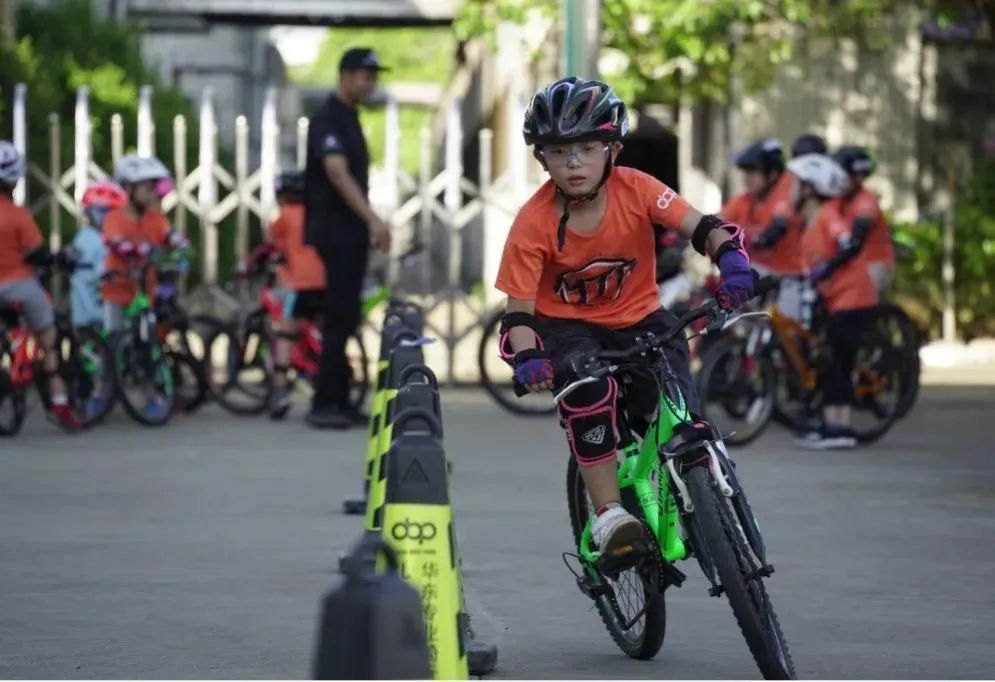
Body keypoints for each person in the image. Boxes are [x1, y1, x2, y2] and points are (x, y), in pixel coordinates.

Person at [495, 77, 756, 554]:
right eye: (558, 151)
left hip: (641, 319)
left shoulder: (638, 189)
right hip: (568, 330)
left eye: (588, 147)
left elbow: (702, 227)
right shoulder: (532, 223)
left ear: (612, 148)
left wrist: (732, 262)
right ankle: (609, 515)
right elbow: (519, 313)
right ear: (541, 158)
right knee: (587, 390)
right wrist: (529, 358)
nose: (573, 163)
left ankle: (696, 490)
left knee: (678, 407)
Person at [303, 47, 392, 430]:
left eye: (373, 76)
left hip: (349, 233)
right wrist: (373, 219)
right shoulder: (328, 119)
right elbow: (338, 174)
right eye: (364, 75)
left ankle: (339, 398)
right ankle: (324, 402)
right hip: (336, 232)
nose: (370, 82)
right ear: (345, 75)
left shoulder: (349, 117)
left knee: (346, 316)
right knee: (338, 318)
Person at [789, 153, 872, 450]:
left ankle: (841, 429)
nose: (790, 189)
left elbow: (847, 242)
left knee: (838, 362)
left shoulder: (828, 216)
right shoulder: (811, 220)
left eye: (796, 183)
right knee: (829, 360)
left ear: (810, 189)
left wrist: (829, 267)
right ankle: (830, 424)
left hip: (852, 297)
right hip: (837, 299)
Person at [0, 140, 84, 431]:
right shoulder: (17, 214)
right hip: (18, 285)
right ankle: (60, 405)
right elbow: (37, 254)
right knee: (48, 339)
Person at [102, 154, 183, 421]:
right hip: (117, 289)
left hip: (143, 290)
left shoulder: (154, 218)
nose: (151, 193)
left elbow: (170, 235)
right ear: (128, 188)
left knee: (148, 343)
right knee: (112, 342)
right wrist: (129, 248)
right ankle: (99, 393)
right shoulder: (114, 217)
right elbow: (114, 240)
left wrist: (180, 244)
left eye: (153, 187)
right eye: (146, 187)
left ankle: (151, 393)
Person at [264, 170, 327, 420]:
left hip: (300, 284)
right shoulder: (318, 213)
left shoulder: (285, 216)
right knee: (322, 330)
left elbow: (271, 241)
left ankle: (280, 391)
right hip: (325, 282)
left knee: (285, 333)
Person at [831, 146, 895, 298]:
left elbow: (856, 237)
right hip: (855, 265)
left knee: (863, 308)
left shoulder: (866, 201)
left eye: (842, 175)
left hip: (874, 263)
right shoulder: (841, 201)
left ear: (858, 176)